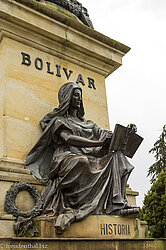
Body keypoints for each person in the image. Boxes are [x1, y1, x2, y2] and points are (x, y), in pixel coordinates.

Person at [26, 82, 137, 234]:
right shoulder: (59, 121)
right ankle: (81, 203)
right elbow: (68, 138)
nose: (79, 99)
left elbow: (108, 136)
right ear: (67, 98)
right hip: (66, 157)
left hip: (89, 158)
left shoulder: (89, 124)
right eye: (75, 95)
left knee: (117, 155)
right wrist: (96, 143)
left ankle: (119, 203)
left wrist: (127, 132)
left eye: (80, 96)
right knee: (81, 161)